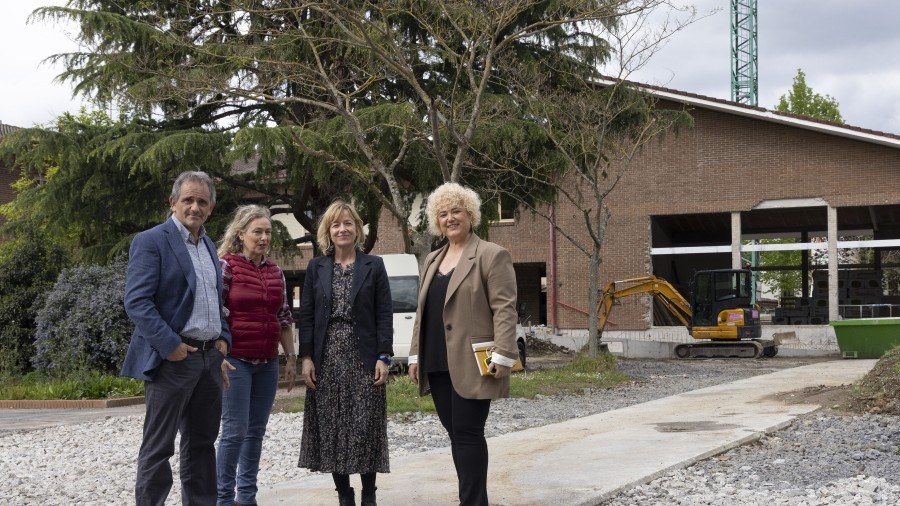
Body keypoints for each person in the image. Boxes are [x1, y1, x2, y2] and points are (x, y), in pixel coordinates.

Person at [121, 170, 232, 506]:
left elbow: (214, 298)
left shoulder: (209, 245)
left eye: (202, 201)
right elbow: (137, 301)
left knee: (201, 444)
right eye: (188, 199)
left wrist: (223, 337)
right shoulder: (152, 240)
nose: (195, 207)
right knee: (159, 446)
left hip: (208, 360)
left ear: (211, 207)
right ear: (173, 202)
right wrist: (169, 345)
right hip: (174, 360)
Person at [407, 182, 519, 506]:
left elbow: (504, 308)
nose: (450, 218)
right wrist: (415, 355)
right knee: (456, 434)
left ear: (470, 214)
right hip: (437, 361)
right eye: (442, 213)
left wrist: (504, 354)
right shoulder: (431, 259)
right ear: (436, 221)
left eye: (456, 211)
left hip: (474, 361)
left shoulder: (491, 255)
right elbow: (422, 311)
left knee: (468, 434)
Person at [297, 200, 393, 506]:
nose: (342, 229)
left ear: (358, 229)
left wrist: (384, 356)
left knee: (365, 424)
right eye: (336, 224)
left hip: (363, 356)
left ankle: (368, 494)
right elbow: (307, 315)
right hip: (327, 357)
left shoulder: (373, 266)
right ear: (328, 231)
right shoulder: (316, 267)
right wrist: (307, 357)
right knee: (332, 425)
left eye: (348, 223)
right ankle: (344, 495)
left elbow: (384, 314)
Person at [215, 204, 297, 506]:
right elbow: (215, 314)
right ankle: (223, 500)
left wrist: (290, 358)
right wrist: (216, 355)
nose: (263, 238)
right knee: (234, 431)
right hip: (235, 361)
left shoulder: (275, 271)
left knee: (255, 433)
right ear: (241, 234)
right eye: (257, 232)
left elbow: (284, 316)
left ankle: (247, 498)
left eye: (268, 232)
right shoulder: (226, 266)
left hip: (266, 364)